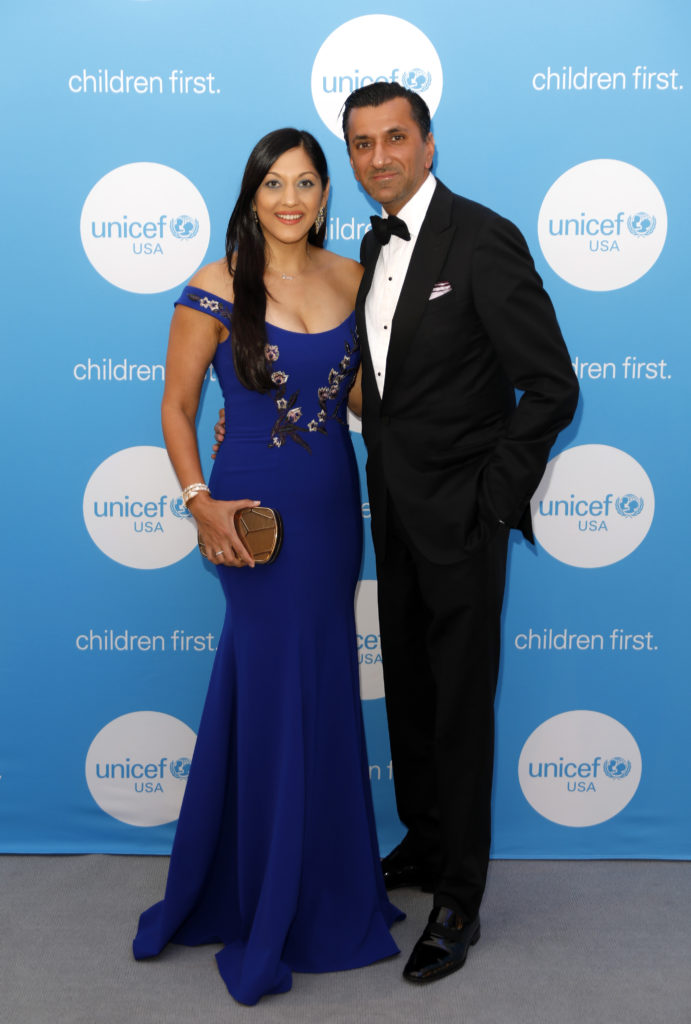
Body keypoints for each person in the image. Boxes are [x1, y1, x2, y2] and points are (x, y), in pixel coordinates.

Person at [132, 128, 402, 1006]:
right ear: (251, 195)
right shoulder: (214, 286)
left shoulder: (352, 281)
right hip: (248, 515)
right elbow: (176, 407)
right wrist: (197, 501)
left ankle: (316, 884)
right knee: (272, 677)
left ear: (327, 197)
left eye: (307, 184)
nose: (291, 199)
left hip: (328, 506)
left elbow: (358, 396)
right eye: (274, 183)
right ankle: (267, 891)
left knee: (314, 681)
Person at [340, 83, 580, 983]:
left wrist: (492, 496)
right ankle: (424, 841)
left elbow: (550, 385)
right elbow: (386, 387)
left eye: (394, 138)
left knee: (458, 705)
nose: (377, 158)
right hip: (393, 512)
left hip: (463, 518)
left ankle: (459, 899)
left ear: (428, 144)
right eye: (361, 144)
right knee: (406, 685)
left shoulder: (482, 237)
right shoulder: (371, 242)